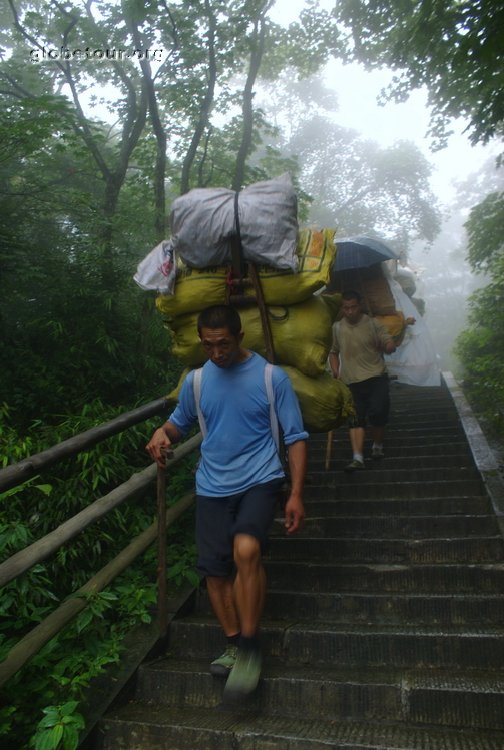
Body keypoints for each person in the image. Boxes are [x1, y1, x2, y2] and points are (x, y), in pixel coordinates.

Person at [146, 304, 308, 700]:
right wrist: (162, 433)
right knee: (215, 573)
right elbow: (179, 421)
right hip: (212, 485)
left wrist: (298, 494)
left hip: (261, 478)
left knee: (247, 548)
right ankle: (234, 641)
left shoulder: (272, 378)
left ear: (239, 337)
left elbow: (296, 436)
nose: (216, 352)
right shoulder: (196, 382)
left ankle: (252, 646)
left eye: (223, 344)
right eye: (208, 345)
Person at [328, 289, 396, 472]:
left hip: (376, 377)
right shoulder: (337, 328)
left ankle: (377, 446)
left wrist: (387, 346)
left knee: (378, 412)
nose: (350, 311)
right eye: (346, 308)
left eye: (353, 307)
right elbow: (333, 352)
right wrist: (336, 371)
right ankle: (357, 457)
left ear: (360, 306)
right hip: (351, 381)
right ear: (342, 308)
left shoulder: (373, 324)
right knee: (355, 419)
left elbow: (389, 343)